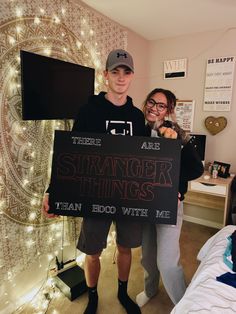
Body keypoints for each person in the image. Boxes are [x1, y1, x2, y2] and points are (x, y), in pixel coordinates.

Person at [42, 49, 145, 314]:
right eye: (115, 71)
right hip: (95, 195)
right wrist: (51, 191)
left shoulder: (137, 116)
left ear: (132, 76)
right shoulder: (88, 111)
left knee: (125, 248)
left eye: (126, 72)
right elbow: (70, 155)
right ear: (105, 75)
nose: (121, 77)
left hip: (127, 195)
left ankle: (123, 294)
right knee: (93, 252)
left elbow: (146, 159)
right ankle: (93, 296)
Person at [136, 88, 204, 307]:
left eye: (161, 105)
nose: (154, 108)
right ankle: (150, 289)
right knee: (147, 257)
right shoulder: (138, 129)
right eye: (151, 102)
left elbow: (195, 169)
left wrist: (171, 182)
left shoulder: (177, 133)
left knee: (166, 262)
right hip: (144, 204)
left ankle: (184, 305)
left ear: (168, 110)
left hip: (168, 205)